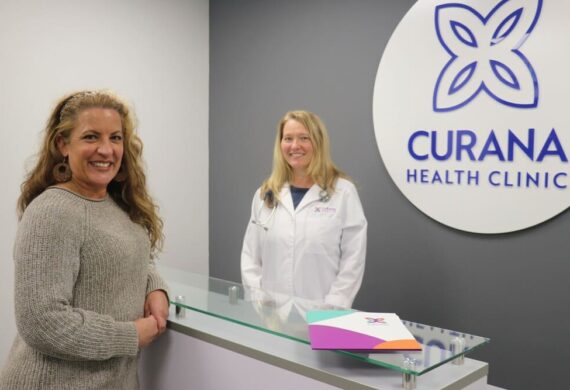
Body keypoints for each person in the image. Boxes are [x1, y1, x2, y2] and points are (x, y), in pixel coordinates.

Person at [0, 90, 170, 389]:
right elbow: (42, 322)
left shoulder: (116, 206)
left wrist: (155, 288)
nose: (106, 150)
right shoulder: (52, 211)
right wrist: (130, 335)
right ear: (62, 144)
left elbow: (128, 257)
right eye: (91, 137)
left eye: (115, 138)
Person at [241, 110, 367, 309]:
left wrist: (334, 304)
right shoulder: (265, 194)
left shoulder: (343, 193)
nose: (294, 146)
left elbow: (353, 259)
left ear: (318, 142)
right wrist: (258, 297)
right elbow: (250, 256)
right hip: (272, 314)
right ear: (280, 144)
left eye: (304, 138)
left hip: (322, 312)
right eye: (288, 138)